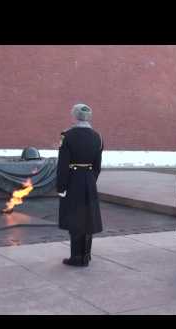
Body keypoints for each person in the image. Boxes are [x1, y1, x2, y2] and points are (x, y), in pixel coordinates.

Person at [57, 103, 103, 267]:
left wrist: (61, 187)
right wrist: (90, 180)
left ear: (74, 116)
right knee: (88, 218)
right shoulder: (98, 136)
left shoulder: (67, 136)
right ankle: (86, 255)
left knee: (75, 218)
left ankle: (76, 257)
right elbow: (97, 165)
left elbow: (63, 165)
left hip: (73, 180)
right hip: (89, 180)